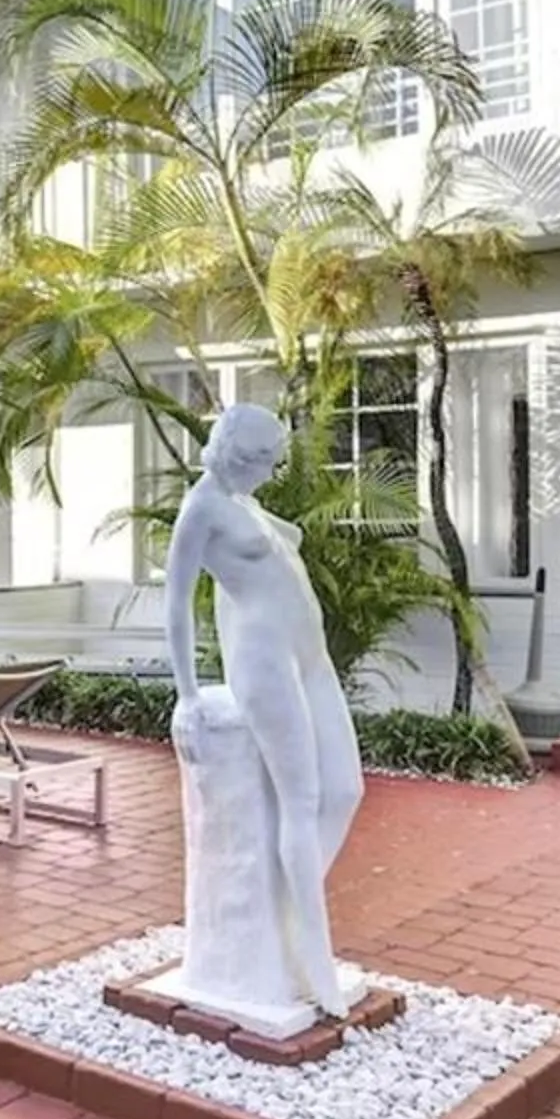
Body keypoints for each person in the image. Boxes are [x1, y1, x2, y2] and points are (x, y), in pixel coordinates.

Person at [163, 403, 358, 1019]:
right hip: (264, 659)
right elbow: (174, 603)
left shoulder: (243, 501)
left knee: (346, 790)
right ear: (236, 455)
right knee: (302, 800)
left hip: (310, 655)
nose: (273, 473)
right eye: (266, 461)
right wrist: (188, 694)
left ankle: (288, 906)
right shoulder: (201, 509)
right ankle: (312, 955)